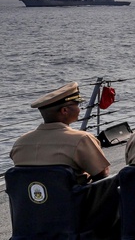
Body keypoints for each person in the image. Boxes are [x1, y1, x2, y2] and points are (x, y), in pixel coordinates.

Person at [10, 82, 117, 237]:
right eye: (77, 104)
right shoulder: (81, 139)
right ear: (65, 110)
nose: (80, 108)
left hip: (32, 219)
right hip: (73, 218)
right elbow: (102, 175)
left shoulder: (20, 142)